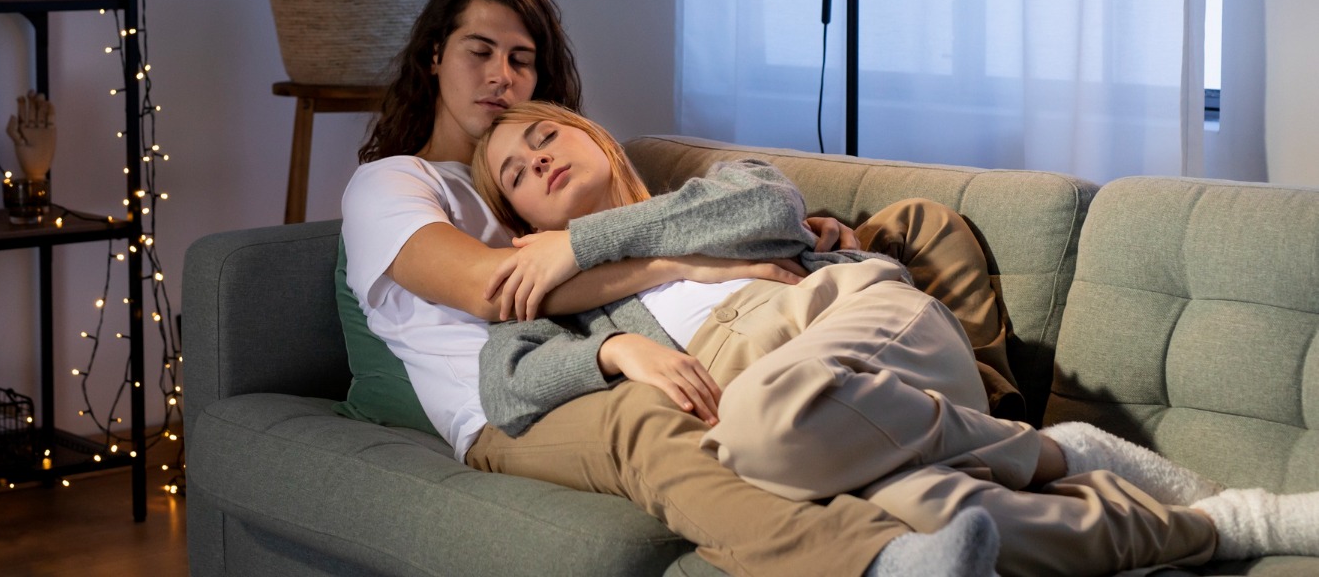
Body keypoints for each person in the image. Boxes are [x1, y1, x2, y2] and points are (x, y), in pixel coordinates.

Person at [470, 100, 1319, 577]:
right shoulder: (564, 305)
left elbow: (772, 210)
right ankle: (1225, 525)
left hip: (851, 320)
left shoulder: (709, 188)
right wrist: (615, 347)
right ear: (521, 223)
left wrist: (605, 246)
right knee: (926, 529)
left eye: (546, 135)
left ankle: (1047, 451)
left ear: (593, 136)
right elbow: (504, 388)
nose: (537, 160)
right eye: (516, 173)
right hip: (818, 430)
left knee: (757, 422)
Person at [342, 0, 1001, 577]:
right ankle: (877, 559)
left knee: (917, 227)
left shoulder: (542, 168)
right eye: (478, 51)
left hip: (637, 326)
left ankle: (994, 419)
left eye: (522, 59)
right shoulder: (392, 183)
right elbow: (499, 291)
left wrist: (799, 228)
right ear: (434, 56)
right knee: (645, 422)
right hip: (504, 401)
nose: (501, 76)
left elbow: (644, 219)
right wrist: (683, 263)